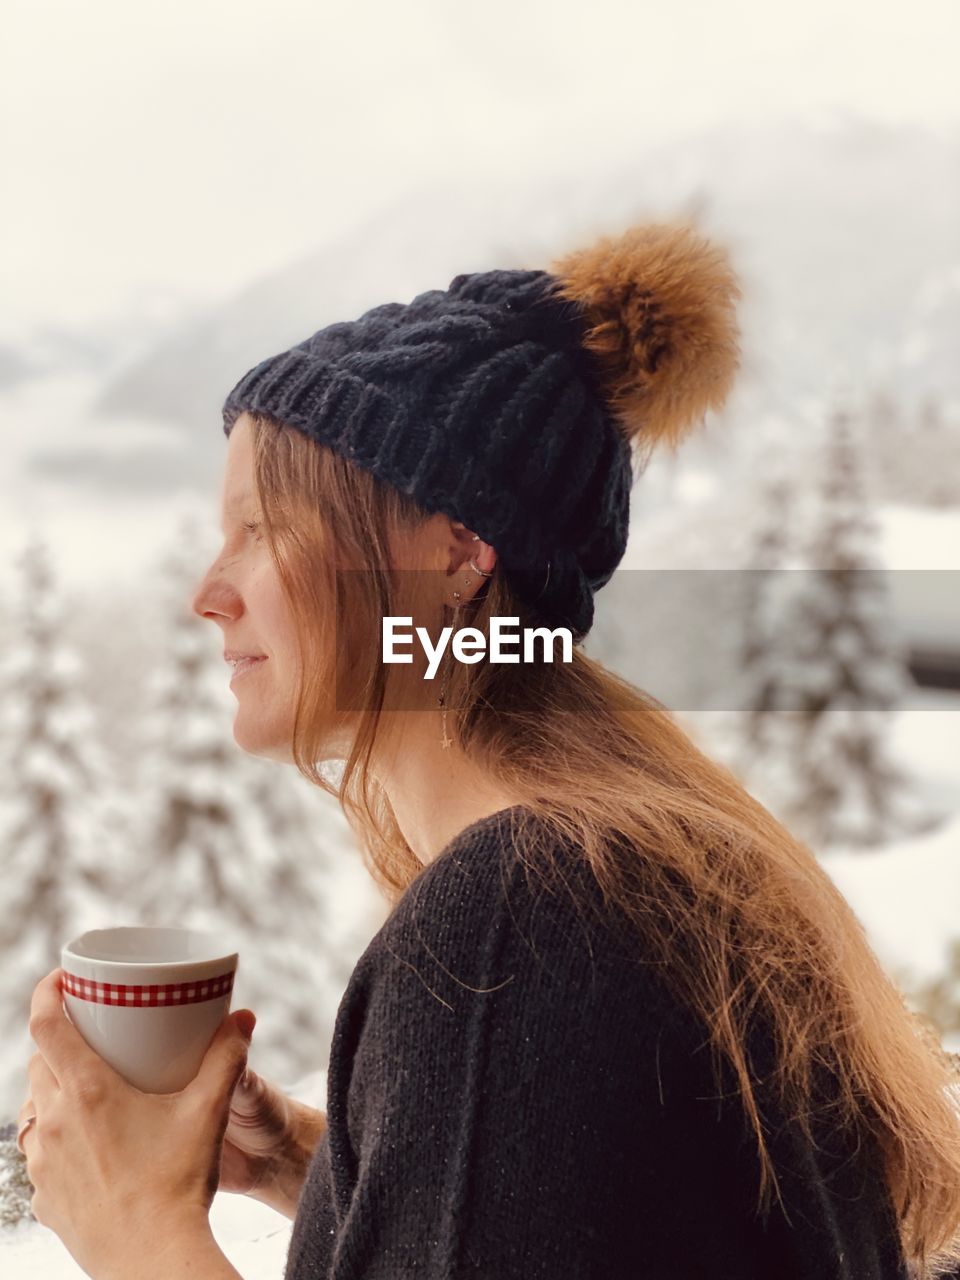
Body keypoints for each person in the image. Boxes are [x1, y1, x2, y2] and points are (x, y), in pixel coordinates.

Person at [18, 219, 960, 1279]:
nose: (209, 589)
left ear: (456, 553)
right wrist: (333, 1173)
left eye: (263, 527)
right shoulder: (624, 868)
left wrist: (139, 1229)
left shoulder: (524, 918)